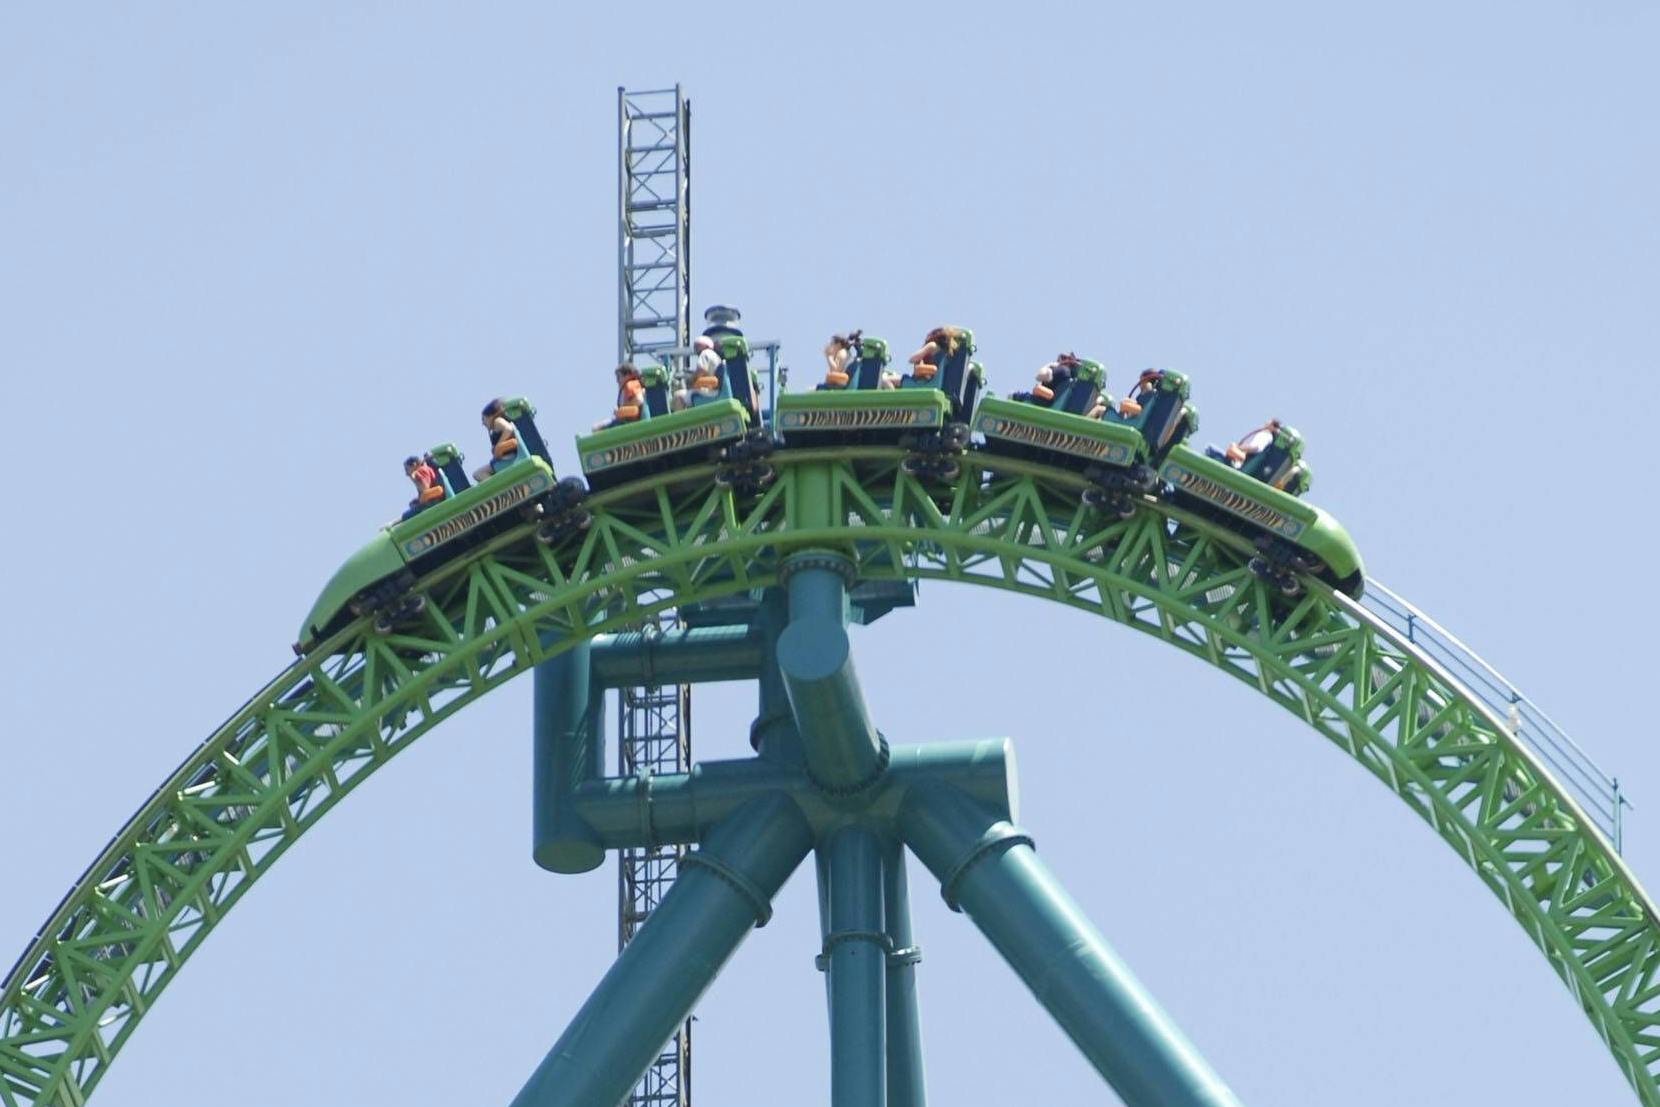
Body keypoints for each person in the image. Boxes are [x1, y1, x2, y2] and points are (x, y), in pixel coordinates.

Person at [473, 398, 522, 481]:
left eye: (483, 419)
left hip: (509, 458)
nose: (483, 423)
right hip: (507, 457)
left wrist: (498, 445)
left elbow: (508, 429)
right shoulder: (495, 428)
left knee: (478, 474)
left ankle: (500, 485)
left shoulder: (497, 421)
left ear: (490, 416)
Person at [673, 336, 725, 409]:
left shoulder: (705, 353)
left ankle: (680, 420)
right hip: (715, 390)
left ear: (706, 346)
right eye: (695, 347)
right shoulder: (716, 357)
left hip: (711, 392)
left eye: (698, 346)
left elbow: (700, 371)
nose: (695, 349)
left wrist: (690, 380)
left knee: (678, 395)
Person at [1012, 352, 1081, 406]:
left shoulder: (1063, 370)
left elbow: (1040, 376)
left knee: (1018, 396)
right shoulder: (1068, 376)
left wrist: (1048, 366)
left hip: (1042, 402)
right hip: (1046, 401)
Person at [1209, 418, 1281, 467]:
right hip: (1240, 460)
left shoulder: (1266, 435)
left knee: (1210, 449)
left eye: (1268, 422)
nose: (1265, 423)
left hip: (1241, 462)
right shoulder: (1266, 436)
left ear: (1272, 426)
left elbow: (1257, 447)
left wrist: (1238, 448)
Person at [596, 364, 647, 429]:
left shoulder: (631, 385)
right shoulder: (625, 390)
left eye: (619, 377)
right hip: (626, 421)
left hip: (629, 422)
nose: (617, 381)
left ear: (628, 375)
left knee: (597, 428)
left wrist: (621, 410)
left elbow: (639, 401)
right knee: (597, 427)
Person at [401, 454, 442, 520]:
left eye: (407, 469)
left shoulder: (420, 471)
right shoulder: (425, 469)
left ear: (414, 465)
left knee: (406, 516)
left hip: (434, 502)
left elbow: (425, 489)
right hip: (433, 499)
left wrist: (413, 477)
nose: (406, 474)